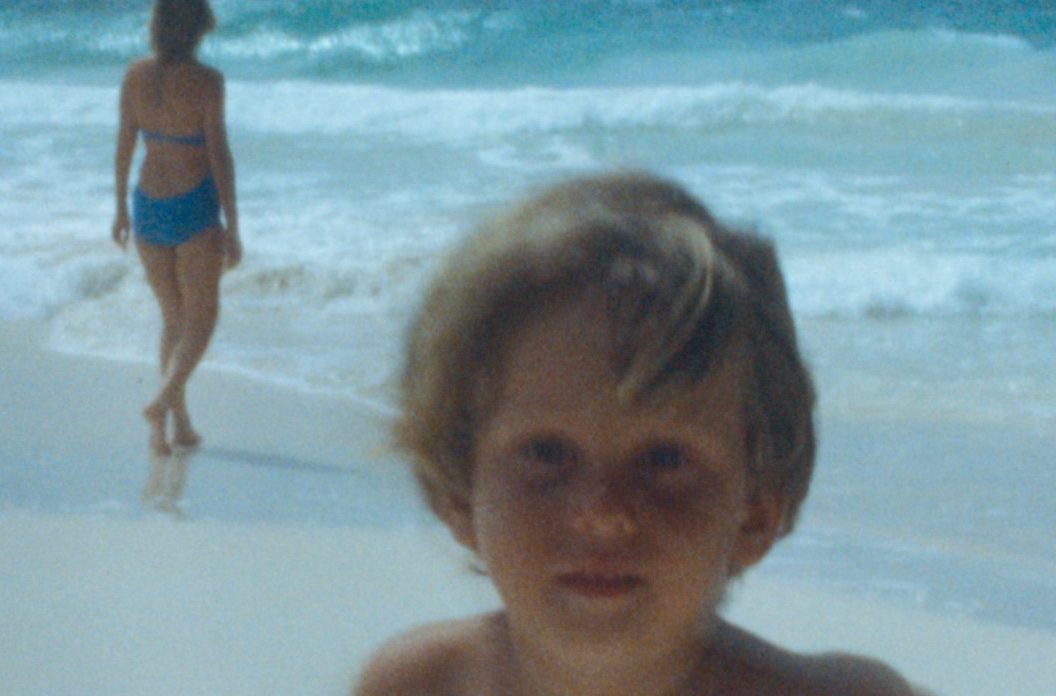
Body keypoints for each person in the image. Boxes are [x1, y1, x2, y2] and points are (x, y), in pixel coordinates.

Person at [355, 173, 919, 696]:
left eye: (664, 459)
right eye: (546, 453)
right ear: (457, 492)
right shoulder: (423, 685)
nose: (602, 512)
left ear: (756, 511)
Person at [112, 0, 242, 457]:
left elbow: (125, 142)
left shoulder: (134, 75)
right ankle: (162, 401)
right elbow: (219, 157)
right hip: (193, 205)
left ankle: (170, 429)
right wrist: (233, 224)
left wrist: (120, 208)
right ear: (198, 23)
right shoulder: (209, 82)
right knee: (201, 320)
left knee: (173, 319)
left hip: (147, 204)